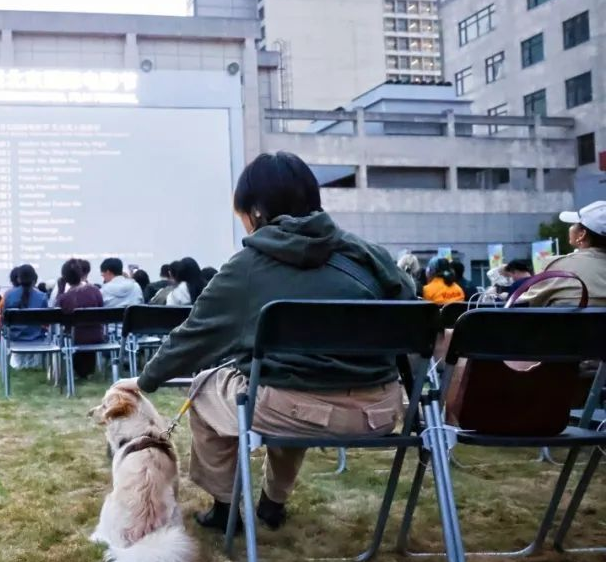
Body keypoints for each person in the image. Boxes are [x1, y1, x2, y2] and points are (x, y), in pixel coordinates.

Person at [114, 151, 415, 532]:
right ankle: (273, 503)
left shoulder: (247, 268)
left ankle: (225, 507)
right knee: (282, 389)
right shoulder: (371, 255)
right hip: (380, 412)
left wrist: (145, 381)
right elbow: (415, 318)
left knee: (206, 387)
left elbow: (192, 337)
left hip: (296, 410)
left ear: (256, 211)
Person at [517, 200, 606, 307]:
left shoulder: (557, 265)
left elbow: (525, 303)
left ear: (582, 234)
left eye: (574, 224)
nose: (571, 228)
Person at [57, 259, 104, 379]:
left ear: (65, 278)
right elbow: (101, 309)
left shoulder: (64, 298)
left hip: (75, 338)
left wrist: (60, 291)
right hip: (96, 336)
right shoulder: (95, 291)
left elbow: (57, 315)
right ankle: (87, 372)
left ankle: (78, 372)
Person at [2, 264, 49, 369]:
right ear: (34, 279)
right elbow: (46, 321)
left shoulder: (9, 296)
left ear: (18, 279)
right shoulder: (42, 297)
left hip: (15, 338)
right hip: (37, 338)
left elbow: (5, 319)